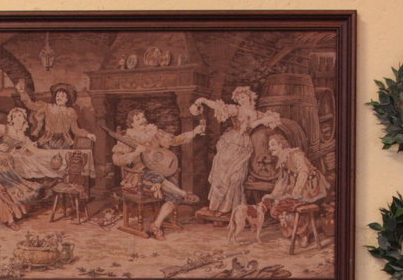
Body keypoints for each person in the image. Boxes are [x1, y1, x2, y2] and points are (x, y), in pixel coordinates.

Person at [111, 108, 203, 240]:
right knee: (158, 178)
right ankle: (184, 194)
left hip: (158, 170)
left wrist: (194, 132)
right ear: (131, 124)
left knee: (174, 195)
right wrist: (135, 153)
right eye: (138, 119)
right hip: (139, 175)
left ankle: (156, 224)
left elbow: (175, 140)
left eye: (143, 117)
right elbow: (117, 160)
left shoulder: (153, 133)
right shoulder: (127, 138)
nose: (142, 120)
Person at [190, 86, 282, 217]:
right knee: (221, 176)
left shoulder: (258, 114)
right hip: (231, 143)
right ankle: (214, 207)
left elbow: (273, 121)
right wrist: (203, 100)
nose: (241, 100)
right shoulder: (237, 110)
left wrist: (265, 120)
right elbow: (219, 107)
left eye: (243, 97)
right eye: (238, 98)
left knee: (236, 177)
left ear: (250, 97)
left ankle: (228, 208)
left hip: (244, 145)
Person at [262, 132, 327, 240]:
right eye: (269, 146)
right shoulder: (283, 160)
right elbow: (281, 181)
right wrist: (273, 195)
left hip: (309, 185)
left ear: (281, 145)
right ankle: (296, 231)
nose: (270, 148)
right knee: (277, 205)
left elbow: (303, 171)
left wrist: (297, 190)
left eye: (273, 144)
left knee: (288, 204)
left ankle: (304, 233)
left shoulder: (294, 154)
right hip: (298, 186)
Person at [16, 81, 96, 149]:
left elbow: (75, 129)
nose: (59, 98)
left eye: (62, 96)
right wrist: (22, 92)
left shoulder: (71, 112)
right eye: (57, 96)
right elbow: (31, 105)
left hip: (64, 142)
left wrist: (87, 134)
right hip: (47, 140)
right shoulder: (47, 107)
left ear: (67, 99)